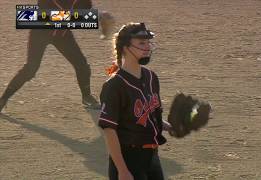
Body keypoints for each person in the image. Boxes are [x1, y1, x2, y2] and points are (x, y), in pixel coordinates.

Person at [0, 0, 114, 112]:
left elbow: (84, 11)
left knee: (82, 65)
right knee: (31, 68)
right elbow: (49, 16)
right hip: (41, 32)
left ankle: (87, 97)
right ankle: (3, 98)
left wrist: (99, 16)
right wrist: (95, 16)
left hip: (62, 34)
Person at [98, 22, 171, 180]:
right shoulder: (114, 85)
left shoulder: (151, 77)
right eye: (141, 43)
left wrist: (169, 126)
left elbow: (151, 116)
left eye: (148, 43)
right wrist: (122, 171)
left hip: (152, 157)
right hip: (128, 159)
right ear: (125, 47)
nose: (147, 47)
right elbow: (109, 131)